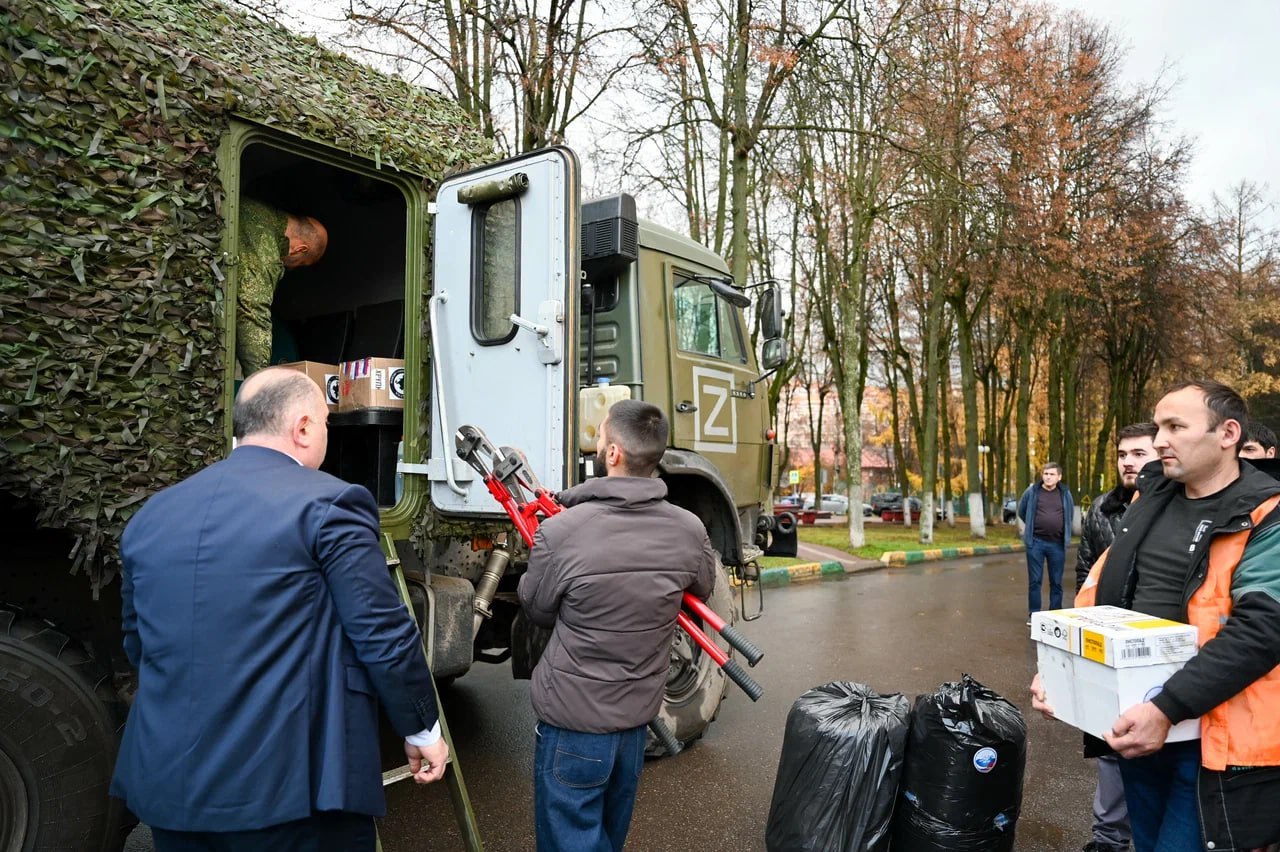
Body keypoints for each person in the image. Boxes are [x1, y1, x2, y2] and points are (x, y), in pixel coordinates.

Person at [111, 368, 446, 851]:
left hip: (174, 788)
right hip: (292, 792)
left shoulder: (151, 517)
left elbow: (138, 642)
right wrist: (420, 727)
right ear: (304, 427)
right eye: (327, 422)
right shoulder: (332, 503)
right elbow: (382, 635)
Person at [1032, 380, 1280, 852]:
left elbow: (1263, 632)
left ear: (1227, 434)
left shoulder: (1267, 512)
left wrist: (1166, 709)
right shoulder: (1150, 501)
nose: (1160, 440)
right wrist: (1057, 667)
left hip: (1214, 743)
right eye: (1159, 425)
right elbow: (1100, 594)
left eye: (1175, 426)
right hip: (1139, 730)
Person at [518, 399, 717, 852]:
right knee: (608, 838)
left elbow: (538, 609)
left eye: (601, 435)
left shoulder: (561, 533)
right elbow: (701, 590)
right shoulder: (690, 531)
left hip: (573, 723)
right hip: (634, 723)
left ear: (612, 454)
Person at [1073, 422, 1157, 852]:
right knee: (1109, 739)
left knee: (1149, 745)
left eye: (1139, 453)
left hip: (1153, 646)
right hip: (1106, 645)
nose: (1128, 461)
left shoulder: (1172, 507)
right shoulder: (1103, 509)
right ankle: (1107, 839)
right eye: (1123, 453)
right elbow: (1085, 573)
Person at [236, 199, 329, 376]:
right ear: (299, 249)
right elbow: (253, 312)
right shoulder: (267, 249)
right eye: (300, 264)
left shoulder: (258, 209)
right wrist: (259, 382)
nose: (293, 268)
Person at [1018, 461, 1074, 621]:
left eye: (1052, 474)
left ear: (1059, 477)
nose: (1048, 477)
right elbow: (1022, 510)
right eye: (1046, 474)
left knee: (1056, 581)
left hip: (1057, 544)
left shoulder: (1065, 494)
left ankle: (1055, 614)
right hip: (1036, 543)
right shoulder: (1032, 491)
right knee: (1035, 580)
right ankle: (1034, 614)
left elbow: (1068, 516)